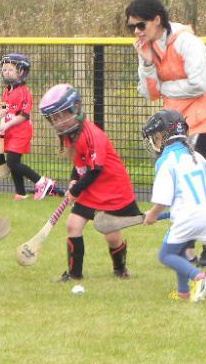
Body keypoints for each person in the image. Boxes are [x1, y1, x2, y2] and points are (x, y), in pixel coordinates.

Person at [128, 0, 206, 269]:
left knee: (195, 180)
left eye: (140, 25)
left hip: (202, 120)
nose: (136, 32)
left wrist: (164, 87)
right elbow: (148, 92)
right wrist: (148, 64)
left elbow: (198, 85)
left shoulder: (187, 43)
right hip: (175, 123)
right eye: (132, 27)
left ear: (157, 20)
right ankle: (192, 251)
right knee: (184, 183)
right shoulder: (148, 48)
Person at [37, 84, 141, 288]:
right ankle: (74, 275)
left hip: (112, 188)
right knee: (73, 225)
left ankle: (120, 269)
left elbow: (95, 169)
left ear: (75, 109)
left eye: (60, 116)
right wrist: (74, 179)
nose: (57, 123)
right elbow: (80, 163)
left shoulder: (92, 134)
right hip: (91, 187)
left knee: (111, 235)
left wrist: (75, 190)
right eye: (53, 119)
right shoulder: (70, 133)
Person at [141, 109, 206, 302]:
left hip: (189, 215)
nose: (154, 141)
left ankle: (199, 277)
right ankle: (183, 292)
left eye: (155, 137)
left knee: (166, 255)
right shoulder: (195, 156)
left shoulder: (166, 161)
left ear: (162, 136)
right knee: (181, 248)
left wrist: (152, 215)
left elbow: (163, 201)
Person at [0, 53, 50, 200]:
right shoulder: (7, 90)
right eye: (4, 69)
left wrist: (7, 124)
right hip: (10, 131)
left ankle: (42, 182)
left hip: (21, 132)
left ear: (21, 72)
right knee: (14, 163)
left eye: (10, 69)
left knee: (12, 162)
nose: (6, 72)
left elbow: (24, 115)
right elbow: (4, 106)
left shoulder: (24, 92)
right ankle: (20, 193)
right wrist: (1, 113)